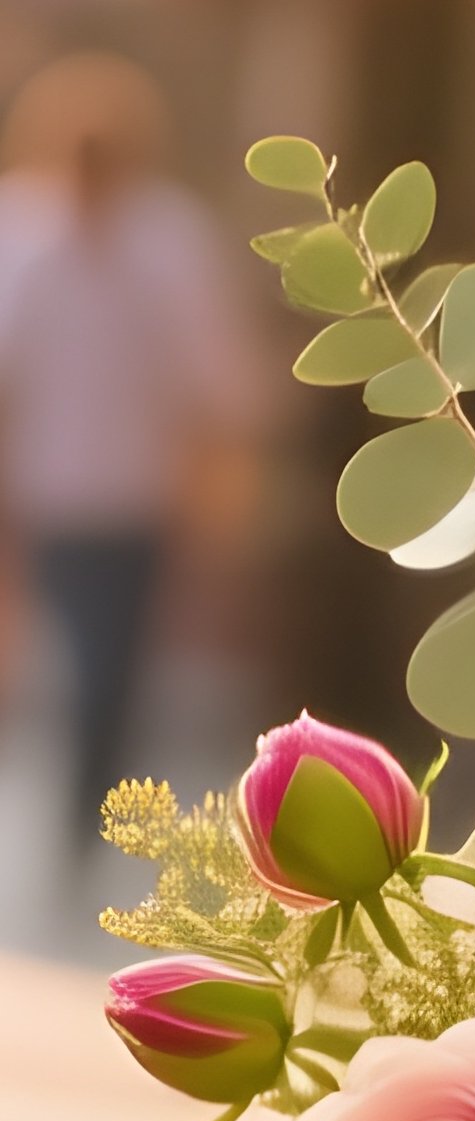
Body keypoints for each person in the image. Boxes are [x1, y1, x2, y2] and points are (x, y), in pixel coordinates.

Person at [0, 54, 260, 833]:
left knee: (108, 671)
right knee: (65, 664)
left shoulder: (169, 240)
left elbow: (215, 377)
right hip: (39, 492)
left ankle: (85, 823)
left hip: (135, 495)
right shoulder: (19, 236)